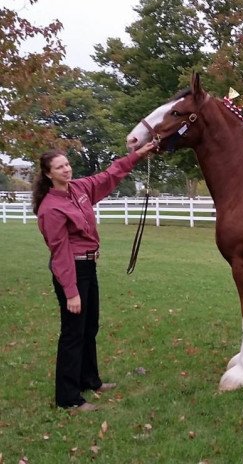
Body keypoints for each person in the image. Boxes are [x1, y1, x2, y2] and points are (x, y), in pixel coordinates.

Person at [32, 142, 157, 413]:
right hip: (72, 271)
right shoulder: (51, 208)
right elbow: (60, 252)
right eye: (59, 167)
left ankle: (89, 380)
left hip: (88, 268)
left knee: (90, 328)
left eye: (67, 164)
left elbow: (110, 174)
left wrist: (137, 155)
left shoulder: (79, 189)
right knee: (73, 334)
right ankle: (68, 398)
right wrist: (71, 291)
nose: (66, 169)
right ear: (48, 174)